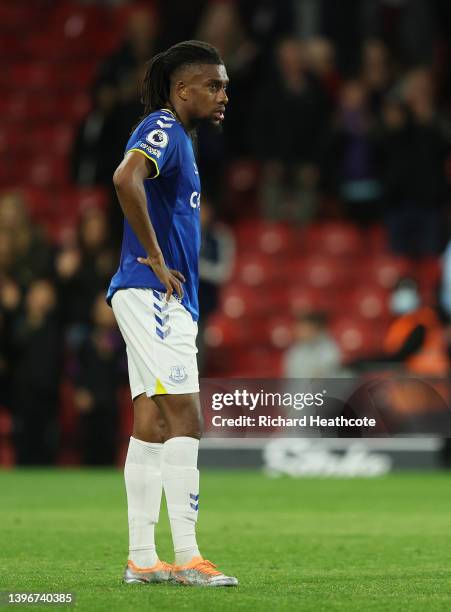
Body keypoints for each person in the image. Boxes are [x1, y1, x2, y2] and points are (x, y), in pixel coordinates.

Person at [107, 41, 238, 587]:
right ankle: (187, 557)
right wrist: (157, 259)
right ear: (182, 89)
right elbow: (124, 177)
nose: (223, 94)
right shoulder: (163, 127)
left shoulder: (180, 137)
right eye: (213, 85)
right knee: (185, 413)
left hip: (154, 294)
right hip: (153, 292)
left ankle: (142, 556)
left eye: (225, 84)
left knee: (152, 423)